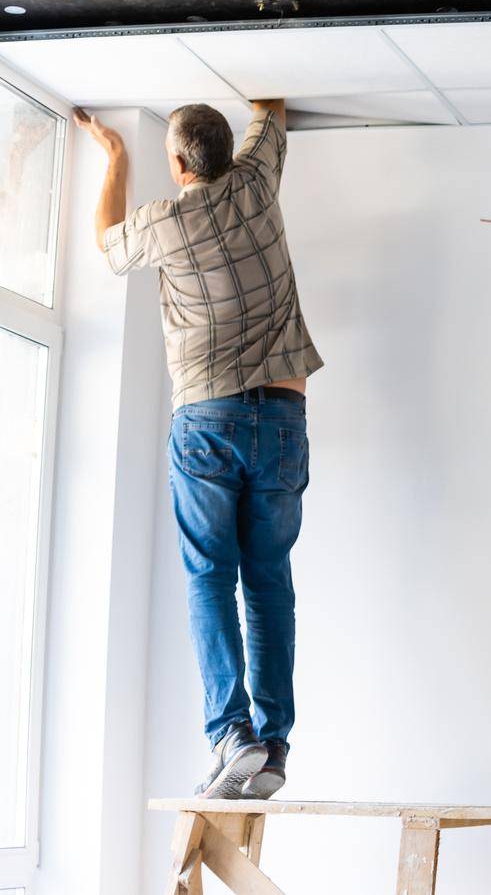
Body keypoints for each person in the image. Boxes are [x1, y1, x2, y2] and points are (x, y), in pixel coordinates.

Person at [76, 100, 322, 799]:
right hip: (282, 413)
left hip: (208, 418)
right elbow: (271, 115)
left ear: (179, 164)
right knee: (268, 578)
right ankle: (272, 748)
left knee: (209, 574)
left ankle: (230, 733)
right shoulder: (255, 182)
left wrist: (116, 160)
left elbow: (105, 240)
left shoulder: (163, 222)